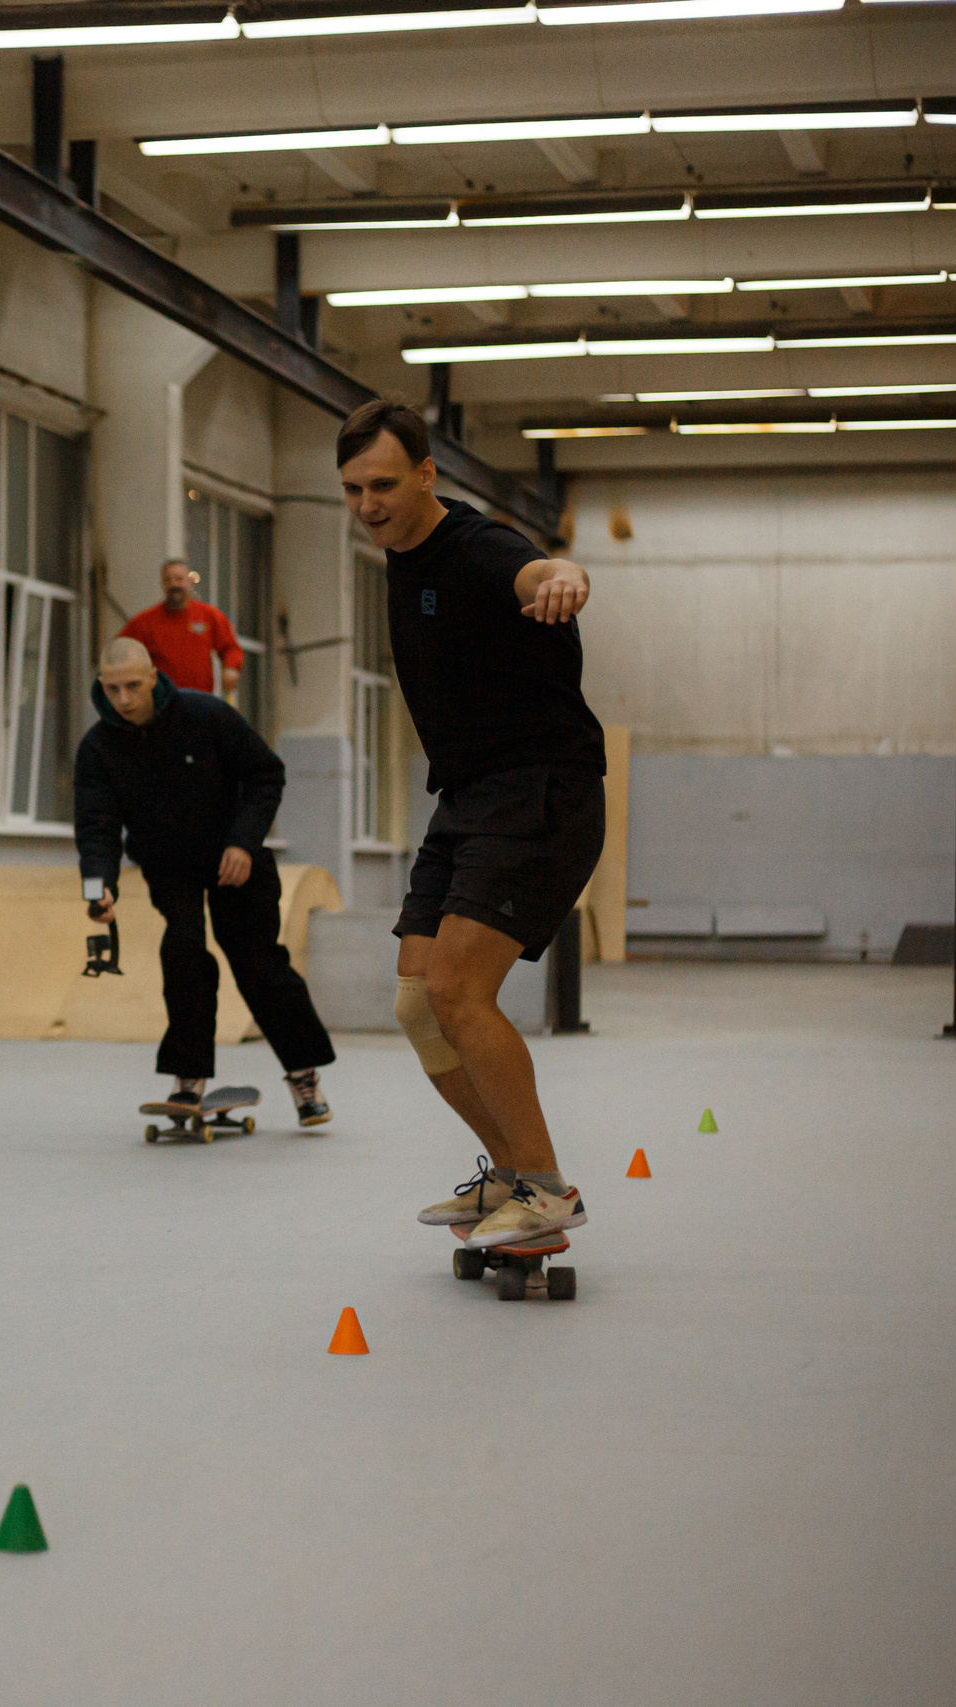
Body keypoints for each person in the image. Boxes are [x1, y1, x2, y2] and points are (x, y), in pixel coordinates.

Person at [335, 399, 606, 1252]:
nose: (368, 505)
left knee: (458, 990)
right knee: (418, 1002)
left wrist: (564, 577)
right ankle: (510, 1170)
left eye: (384, 485)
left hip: (540, 787)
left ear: (426, 474)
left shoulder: (476, 546)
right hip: (467, 795)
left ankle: (546, 1189)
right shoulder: (399, 553)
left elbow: (537, 571)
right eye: (352, 489)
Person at [74, 636, 334, 1126]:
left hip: (235, 859)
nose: (124, 699)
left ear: (153, 677)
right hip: (169, 866)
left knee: (257, 961)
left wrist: (243, 841)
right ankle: (188, 1078)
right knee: (183, 952)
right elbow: (96, 825)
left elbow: (266, 775)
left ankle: (304, 1075)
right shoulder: (98, 748)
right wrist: (98, 886)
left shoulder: (205, 715)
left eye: (133, 686)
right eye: (112, 689)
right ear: (101, 686)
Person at [118, 558, 245, 699]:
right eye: (168, 580)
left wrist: (230, 668)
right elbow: (120, 650)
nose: (174, 584)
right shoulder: (145, 622)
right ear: (162, 584)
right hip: (161, 702)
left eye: (179, 579)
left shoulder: (208, 615)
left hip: (199, 701)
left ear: (189, 582)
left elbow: (231, 648)